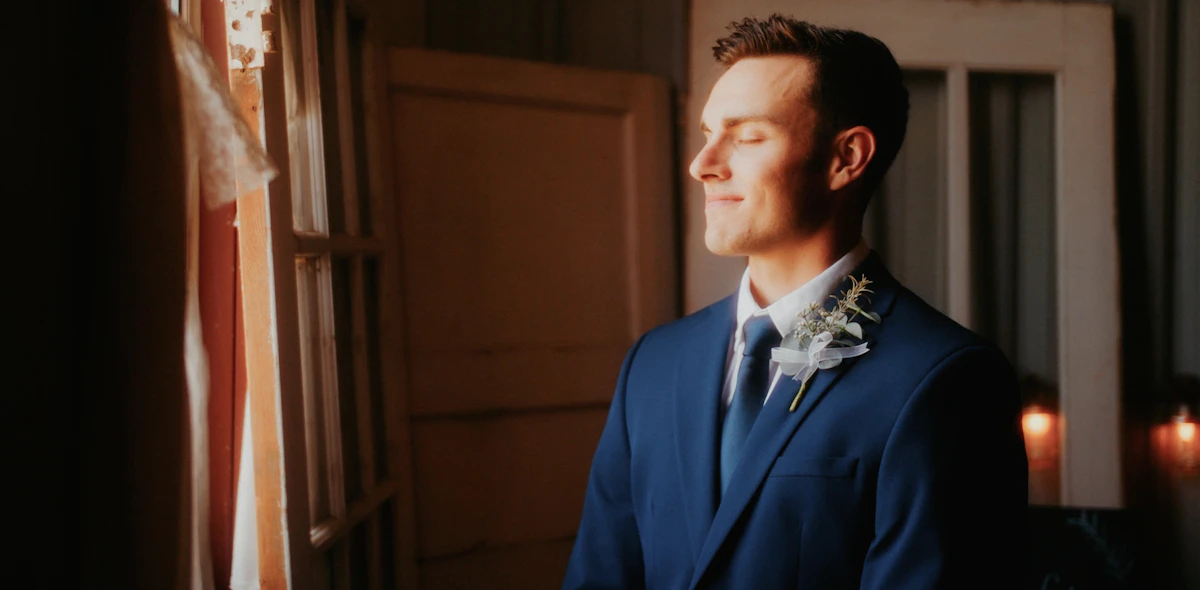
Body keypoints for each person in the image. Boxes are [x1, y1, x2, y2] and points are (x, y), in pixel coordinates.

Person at [563, 14, 1029, 590]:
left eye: (748, 137)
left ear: (846, 158)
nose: (702, 165)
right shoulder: (654, 364)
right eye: (707, 134)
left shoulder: (947, 378)